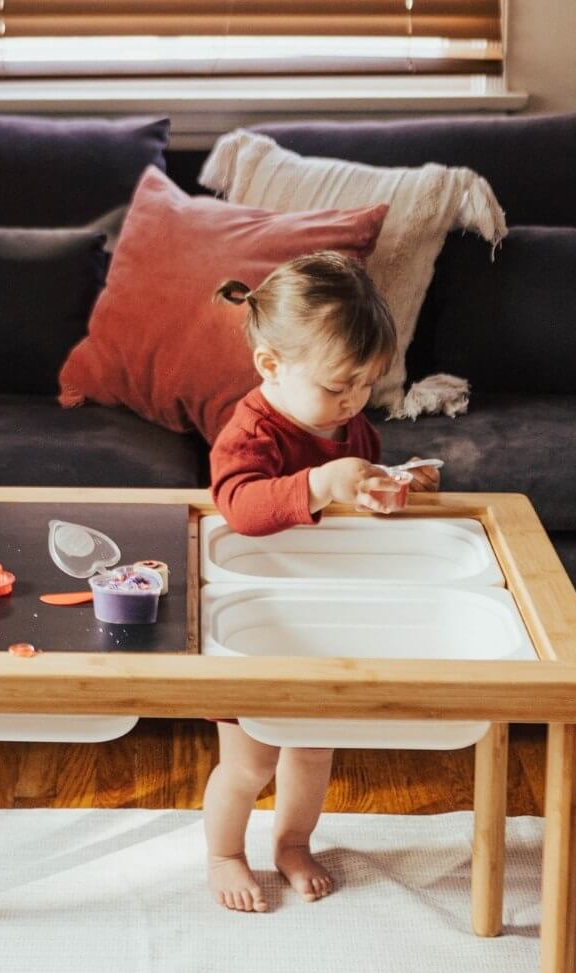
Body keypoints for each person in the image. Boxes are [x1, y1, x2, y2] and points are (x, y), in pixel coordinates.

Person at [204, 251, 440, 913]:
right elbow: (238, 506)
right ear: (271, 366)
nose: (353, 402)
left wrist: (389, 484)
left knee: (311, 752)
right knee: (251, 763)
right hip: (254, 618)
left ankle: (293, 842)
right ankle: (224, 852)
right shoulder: (250, 431)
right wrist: (316, 482)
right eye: (340, 386)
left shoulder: (349, 422)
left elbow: (351, 498)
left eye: (367, 385)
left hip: (320, 614)